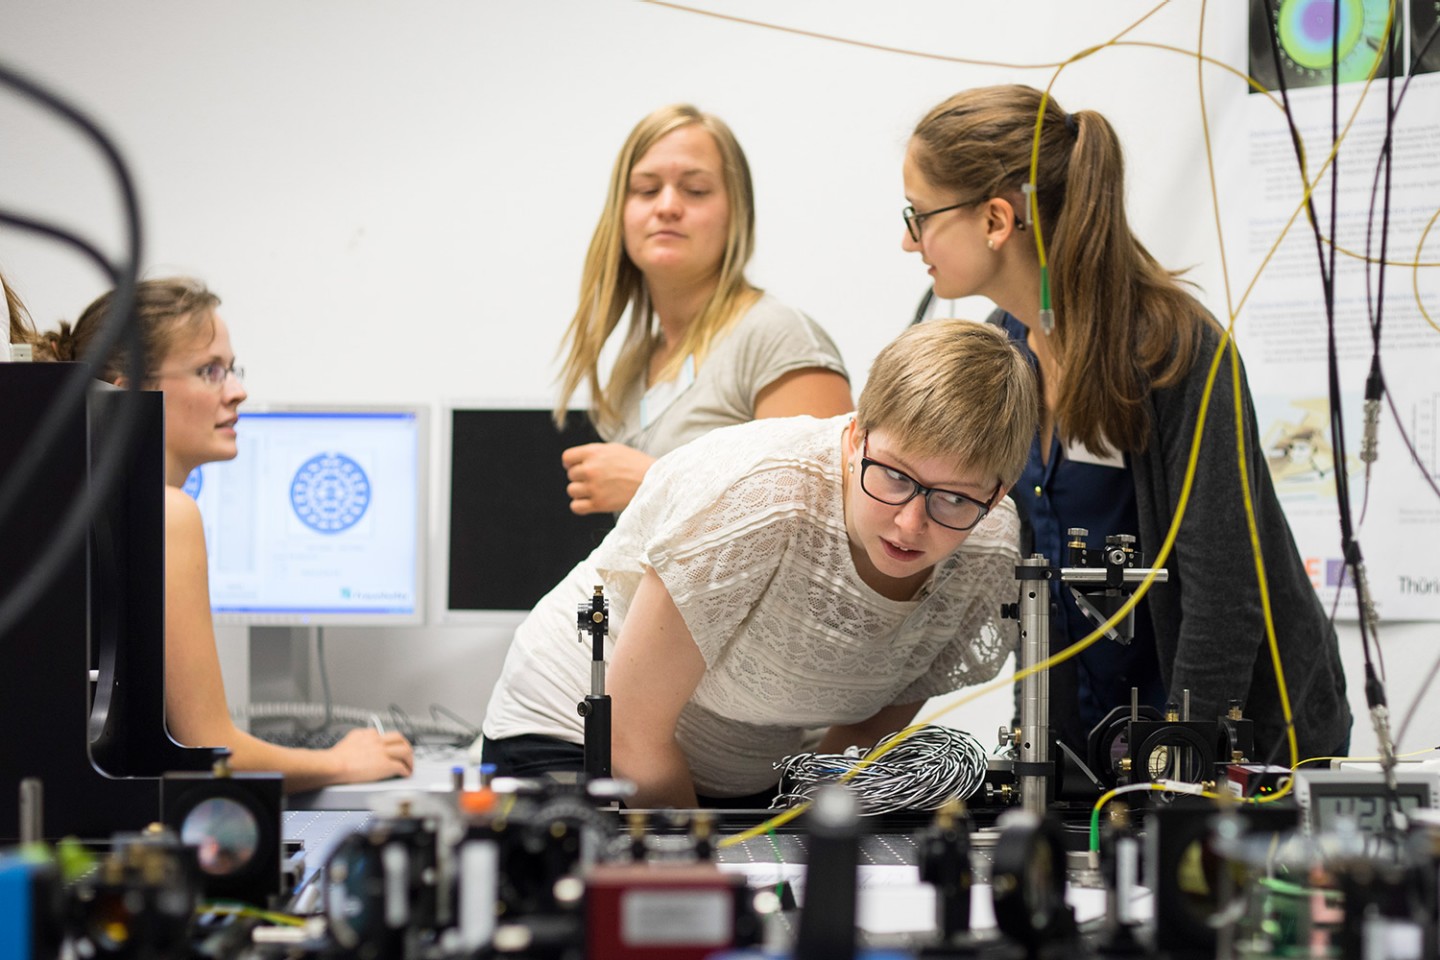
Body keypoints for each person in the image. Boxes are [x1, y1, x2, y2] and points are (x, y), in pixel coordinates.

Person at [901, 84, 1350, 763]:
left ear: (996, 220)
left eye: (918, 215)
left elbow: (1223, 589)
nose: (909, 242)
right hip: (1091, 753)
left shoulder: (1175, 351)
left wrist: (1183, 762)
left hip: (1236, 751)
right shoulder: (1002, 352)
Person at [482, 320, 1038, 808]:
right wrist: (715, 869)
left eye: (955, 499)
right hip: (578, 734)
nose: (910, 524)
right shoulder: (760, 498)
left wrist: (801, 835)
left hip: (743, 769)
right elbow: (631, 732)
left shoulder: (987, 551)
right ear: (854, 438)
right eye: (894, 476)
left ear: (998, 493)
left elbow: (867, 730)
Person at [38, 278, 414, 792]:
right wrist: (342, 762)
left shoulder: (79, 507)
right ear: (129, 394)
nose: (237, 390)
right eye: (209, 371)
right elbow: (212, 751)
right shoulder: (168, 514)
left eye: (232, 369)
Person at [555, 104, 853, 515]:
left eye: (695, 190)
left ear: (737, 213)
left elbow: (824, 520)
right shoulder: (635, 362)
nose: (667, 206)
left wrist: (655, 482)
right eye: (645, 189)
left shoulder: (776, 335)